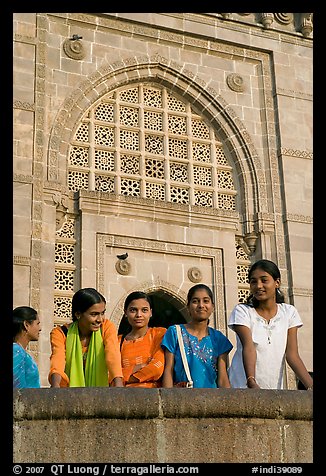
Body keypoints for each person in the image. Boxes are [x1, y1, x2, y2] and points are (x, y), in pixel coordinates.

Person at [227, 259, 313, 390]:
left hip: (273, 389)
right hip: (242, 387)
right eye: (253, 281)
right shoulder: (242, 311)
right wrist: (251, 381)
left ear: (277, 282)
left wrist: (311, 386)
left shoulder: (289, 313)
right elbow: (249, 347)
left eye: (264, 280)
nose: (258, 285)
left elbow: (292, 355)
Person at [49, 288, 123, 388]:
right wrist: (55, 386)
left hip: (101, 393)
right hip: (70, 394)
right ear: (78, 314)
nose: (100, 319)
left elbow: (113, 356)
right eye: (94, 314)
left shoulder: (106, 327)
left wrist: (118, 384)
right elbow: (57, 361)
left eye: (102, 313)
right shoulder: (60, 333)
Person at [161, 284, 233, 388]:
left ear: (212, 307)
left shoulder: (219, 339)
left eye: (206, 301)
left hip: (211, 399)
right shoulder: (175, 332)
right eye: (195, 301)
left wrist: (228, 402)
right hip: (182, 398)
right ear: (188, 307)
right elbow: (168, 370)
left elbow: (222, 378)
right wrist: (168, 399)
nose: (201, 305)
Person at [118, 291, 166, 388]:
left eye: (144, 310)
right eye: (133, 310)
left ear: (151, 313)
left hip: (153, 397)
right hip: (124, 398)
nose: (139, 315)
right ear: (125, 313)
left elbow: (157, 368)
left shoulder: (159, 334)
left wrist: (124, 376)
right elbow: (109, 374)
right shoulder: (118, 341)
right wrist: (139, 367)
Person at [13, 306, 42, 388]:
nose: (40, 329)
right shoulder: (16, 351)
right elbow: (17, 388)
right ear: (26, 325)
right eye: (37, 323)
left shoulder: (21, 352)